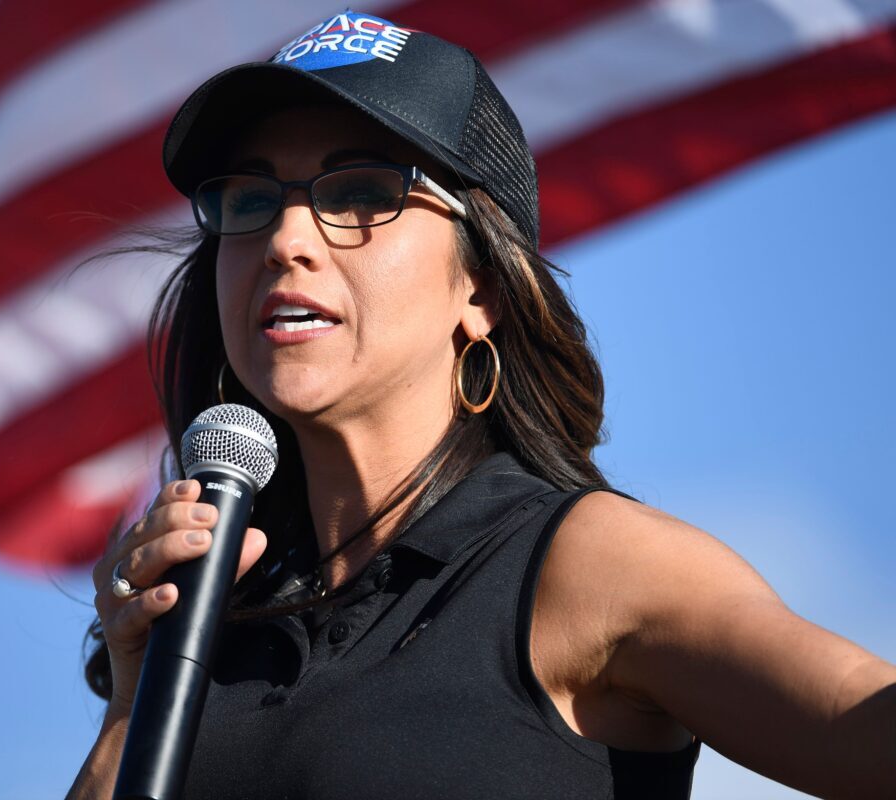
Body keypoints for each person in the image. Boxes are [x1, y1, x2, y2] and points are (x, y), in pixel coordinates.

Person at [67, 11, 895, 800]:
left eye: (359, 194)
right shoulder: (204, 629)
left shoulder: (589, 565)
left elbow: (861, 717)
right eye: (249, 199)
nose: (286, 239)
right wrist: (131, 714)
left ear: (484, 285)